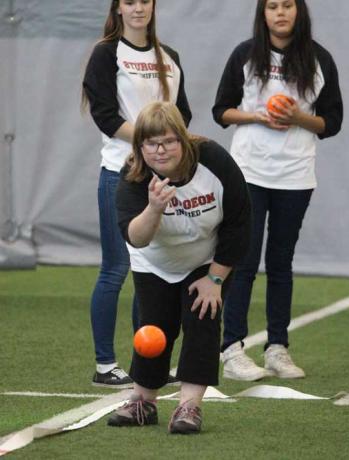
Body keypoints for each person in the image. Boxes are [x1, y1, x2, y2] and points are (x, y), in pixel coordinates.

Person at [212, 0, 343, 381]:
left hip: (295, 174)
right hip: (249, 171)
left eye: (288, 5)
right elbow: (221, 110)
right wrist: (259, 116)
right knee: (245, 260)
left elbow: (332, 121)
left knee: (281, 263)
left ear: (299, 11)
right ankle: (232, 349)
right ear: (263, 13)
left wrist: (297, 117)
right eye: (272, 6)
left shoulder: (319, 59)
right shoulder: (245, 55)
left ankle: (277, 348)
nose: (280, 13)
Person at [107, 101, 250, 434]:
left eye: (169, 141)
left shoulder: (214, 161)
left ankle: (189, 407)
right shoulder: (133, 176)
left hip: (205, 258)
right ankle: (143, 401)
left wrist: (215, 278)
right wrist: (154, 208)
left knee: (202, 320)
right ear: (139, 146)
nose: (160, 150)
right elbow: (135, 237)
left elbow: (240, 222)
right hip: (154, 261)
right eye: (151, 143)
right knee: (153, 328)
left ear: (183, 141)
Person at [82, 0, 191, 388]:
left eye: (144, 0)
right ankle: (104, 364)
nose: (138, 8)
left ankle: (145, 363)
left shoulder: (170, 57)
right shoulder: (106, 53)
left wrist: (168, 151)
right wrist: (152, 141)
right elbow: (106, 116)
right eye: (130, 1)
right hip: (121, 174)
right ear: (118, 9)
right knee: (115, 269)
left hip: (161, 179)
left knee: (153, 272)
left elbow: (183, 116)